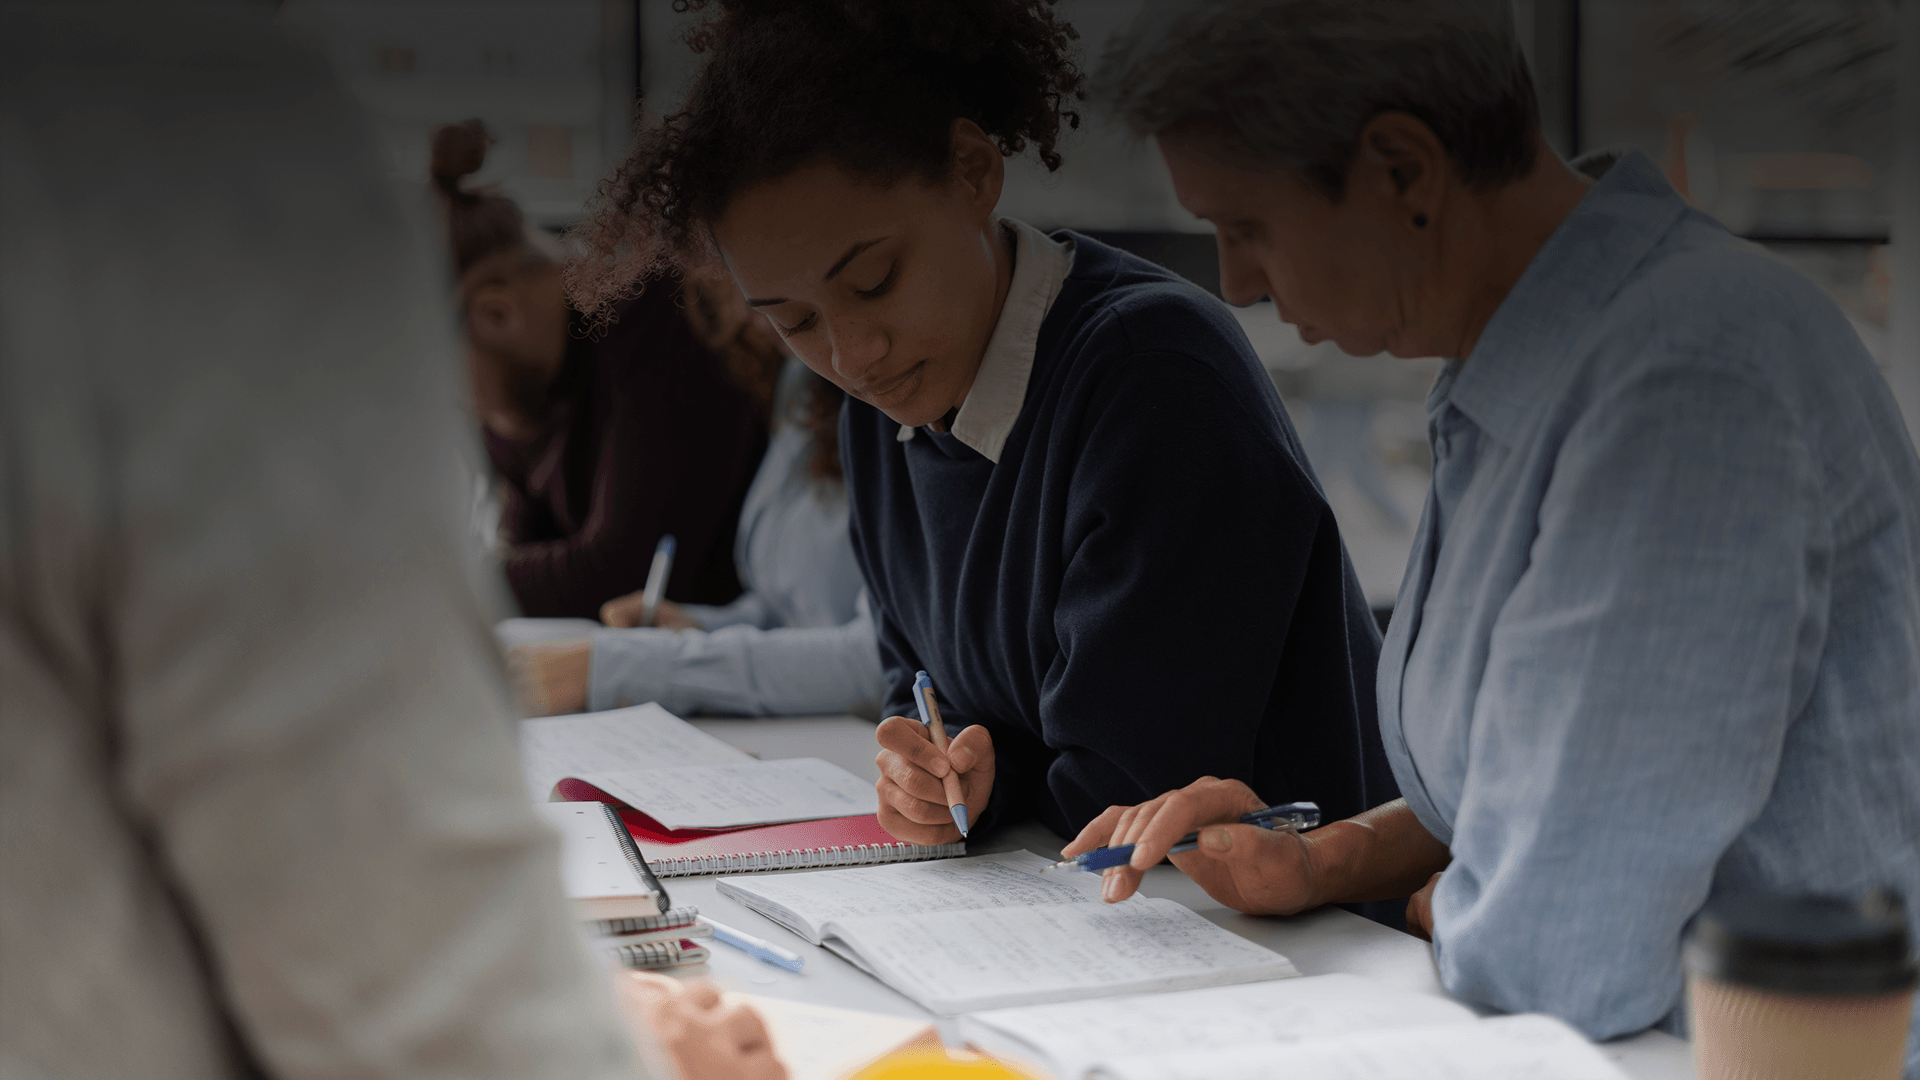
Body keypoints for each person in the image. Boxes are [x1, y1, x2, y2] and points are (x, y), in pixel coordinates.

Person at [1069, 0, 1920, 1067]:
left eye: (1248, 227)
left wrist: (1455, 904)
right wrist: (1325, 862)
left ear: (1403, 172)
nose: (1237, 282)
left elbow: (1560, 955)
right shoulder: (1531, 361)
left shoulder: (1687, 382)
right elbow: (1532, 778)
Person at [0, 7, 780, 1079]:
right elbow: (408, 987)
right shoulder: (191, 127)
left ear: (487, 312)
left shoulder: (633, 333)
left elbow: (595, 558)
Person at [567, 0, 1398, 875]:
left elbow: (1126, 781)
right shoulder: (879, 411)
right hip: (1080, 911)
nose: (853, 355)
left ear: (972, 173)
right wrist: (930, 776)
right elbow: (916, 688)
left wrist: (988, 776)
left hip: (1295, 930)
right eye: (795, 321)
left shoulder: (1153, 376)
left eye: (877, 280)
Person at [505, 274, 887, 719]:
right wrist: (701, 625)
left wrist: (621, 668)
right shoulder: (803, 380)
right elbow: (788, 608)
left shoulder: (889, 392)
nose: (750, 316)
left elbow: (878, 661)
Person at [434, 120, 767, 619]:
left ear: (496, 314)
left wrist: (434, 584)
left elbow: (617, 572)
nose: (454, 404)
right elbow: (530, 559)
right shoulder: (519, 390)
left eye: (440, 374)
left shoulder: (659, 320)